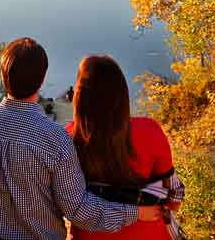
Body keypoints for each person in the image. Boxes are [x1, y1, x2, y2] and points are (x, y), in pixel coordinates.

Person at [0, 38, 162, 240]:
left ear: (4, 75)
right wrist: (134, 213)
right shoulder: (55, 138)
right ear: (42, 81)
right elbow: (78, 210)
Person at [65, 55, 186, 240]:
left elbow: (67, 204)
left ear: (80, 96)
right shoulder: (149, 130)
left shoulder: (68, 137)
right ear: (122, 95)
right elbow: (173, 201)